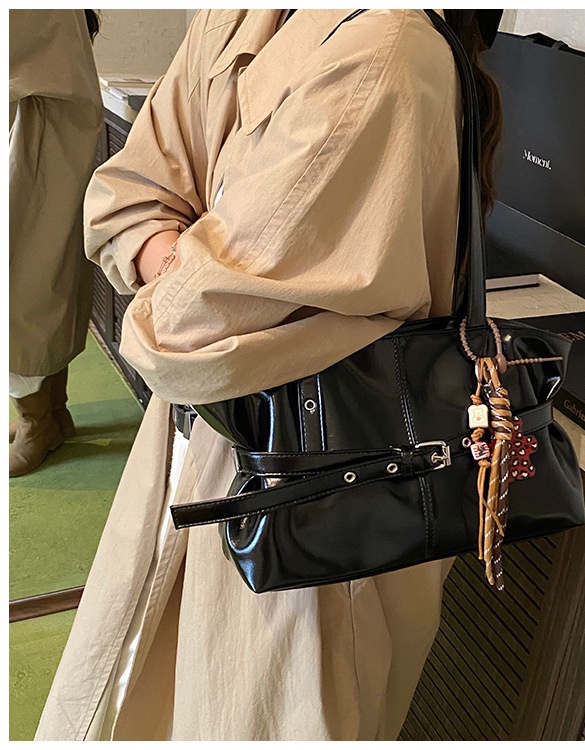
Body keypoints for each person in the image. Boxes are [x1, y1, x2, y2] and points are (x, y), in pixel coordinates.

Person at [35, 9, 502, 741]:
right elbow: (124, 194)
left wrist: (183, 268)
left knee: (255, 706)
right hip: (203, 452)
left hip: (315, 503)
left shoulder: (379, 55)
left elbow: (178, 328)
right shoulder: (239, 15)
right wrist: (196, 273)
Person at [9, 10, 103, 477]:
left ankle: (37, 423)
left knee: (21, 289)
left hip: (38, 137)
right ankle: (52, 411)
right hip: (51, 133)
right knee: (50, 280)